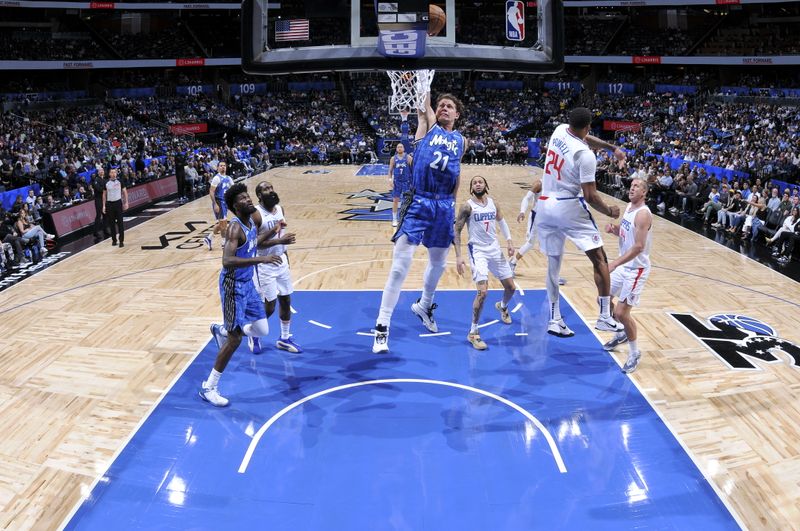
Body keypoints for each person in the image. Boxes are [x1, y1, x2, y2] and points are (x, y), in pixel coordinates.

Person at [372, 91, 465, 354]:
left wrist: (453, 207)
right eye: (441, 105)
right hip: (420, 201)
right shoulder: (427, 126)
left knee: (439, 263)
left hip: (445, 205)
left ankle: (425, 305)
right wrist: (423, 81)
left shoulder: (461, 141)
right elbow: (424, 104)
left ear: (457, 114)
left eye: (450, 106)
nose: (444, 108)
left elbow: (457, 173)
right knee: (400, 266)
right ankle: (382, 326)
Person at [535, 107, 625, 338]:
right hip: (568, 206)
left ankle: (555, 319)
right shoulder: (586, 156)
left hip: (544, 205)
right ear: (588, 127)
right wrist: (609, 210)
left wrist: (611, 148)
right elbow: (590, 196)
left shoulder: (559, 130)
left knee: (553, 265)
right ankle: (605, 316)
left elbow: (585, 138)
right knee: (600, 259)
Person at [201, 183, 283, 407]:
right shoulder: (234, 228)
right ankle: (209, 387)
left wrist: (276, 235)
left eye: (248, 197)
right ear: (234, 207)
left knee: (262, 329)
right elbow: (227, 261)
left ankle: (222, 330)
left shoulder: (252, 222)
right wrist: (261, 259)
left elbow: (257, 241)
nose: (248, 200)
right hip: (233, 286)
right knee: (236, 339)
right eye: (243, 199)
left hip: (248, 284)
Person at [454, 175, 516, 350]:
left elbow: (502, 222)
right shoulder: (467, 206)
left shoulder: (493, 203)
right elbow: (457, 231)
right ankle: (473, 332)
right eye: (474, 182)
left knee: (511, 288)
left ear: (486, 185)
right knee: (482, 292)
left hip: (495, 249)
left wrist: (510, 241)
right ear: (471, 188)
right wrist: (459, 257)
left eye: (481, 181)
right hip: (478, 251)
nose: (478, 184)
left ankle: (502, 306)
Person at [602, 178, 653, 373]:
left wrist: (614, 263)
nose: (632, 187)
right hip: (625, 266)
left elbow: (639, 247)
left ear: (644, 193)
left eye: (637, 186)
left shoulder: (642, 214)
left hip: (636, 269)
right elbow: (628, 238)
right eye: (631, 185)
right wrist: (615, 230)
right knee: (603, 297)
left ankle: (634, 354)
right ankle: (622, 331)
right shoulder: (629, 208)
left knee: (622, 313)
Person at [250, 181, 302, 354]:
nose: (270, 191)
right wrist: (280, 240)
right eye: (265, 189)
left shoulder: (279, 209)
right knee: (270, 305)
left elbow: (281, 234)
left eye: (271, 187)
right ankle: (254, 333)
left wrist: (286, 258)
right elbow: (255, 244)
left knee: (286, 300)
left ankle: (284, 338)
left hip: (281, 261)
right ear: (259, 195)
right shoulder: (256, 215)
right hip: (264, 263)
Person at [508, 176, 566, 285]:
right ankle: (512, 262)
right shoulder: (539, 184)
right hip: (537, 217)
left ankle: (553, 275)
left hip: (550, 217)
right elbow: (527, 198)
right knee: (530, 243)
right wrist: (522, 211)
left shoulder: (559, 184)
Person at [204, 161, 234, 250]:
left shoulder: (228, 178)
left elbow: (234, 189)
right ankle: (223, 242)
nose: (223, 167)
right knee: (223, 223)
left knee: (222, 224)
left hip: (225, 203)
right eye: (221, 166)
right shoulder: (217, 178)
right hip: (219, 202)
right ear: (218, 168)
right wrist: (215, 204)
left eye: (224, 165)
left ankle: (209, 238)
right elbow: (211, 191)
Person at [388, 143, 413, 228]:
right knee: (395, 200)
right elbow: (390, 171)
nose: (399, 148)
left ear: (404, 148)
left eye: (401, 147)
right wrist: (390, 179)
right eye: (398, 147)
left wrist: (413, 182)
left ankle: (406, 219)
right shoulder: (393, 158)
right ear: (396, 149)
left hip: (407, 182)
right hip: (397, 182)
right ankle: (394, 219)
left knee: (407, 201)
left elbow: (413, 170)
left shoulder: (409, 158)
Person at [102, 168, 128, 247]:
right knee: (112, 223)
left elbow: (124, 192)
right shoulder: (106, 182)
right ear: (109, 174)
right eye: (112, 172)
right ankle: (114, 240)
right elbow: (104, 195)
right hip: (109, 204)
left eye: (114, 172)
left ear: (116, 174)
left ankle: (121, 241)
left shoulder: (120, 181)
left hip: (118, 203)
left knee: (120, 223)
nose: (113, 174)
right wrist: (103, 206)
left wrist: (126, 202)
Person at [90, 167, 108, 242]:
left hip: (104, 199)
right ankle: (95, 232)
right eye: (100, 171)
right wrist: (106, 189)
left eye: (103, 170)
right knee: (98, 215)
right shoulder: (96, 180)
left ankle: (105, 230)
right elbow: (99, 189)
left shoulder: (105, 179)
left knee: (105, 215)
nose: (102, 172)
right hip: (98, 200)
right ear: (98, 172)